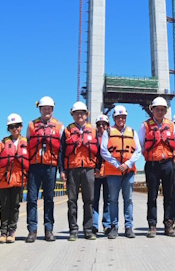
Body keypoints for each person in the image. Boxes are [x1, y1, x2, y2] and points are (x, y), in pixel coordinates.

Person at [59, 101, 101, 241]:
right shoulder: (67, 131)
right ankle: (73, 230)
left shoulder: (93, 130)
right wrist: (62, 170)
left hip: (89, 169)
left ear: (86, 115)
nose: (80, 116)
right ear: (73, 115)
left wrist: (98, 168)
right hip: (72, 169)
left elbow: (99, 151)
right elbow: (61, 152)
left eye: (82, 113)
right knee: (72, 201)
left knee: (89, 200)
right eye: (77, 114)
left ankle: (88, 229)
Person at [138, 96, 175, 238]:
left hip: (168, 163)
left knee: (169, 195)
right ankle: (152, 225)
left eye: (162, 110)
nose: (160, 112)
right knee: (152, 196)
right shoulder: (145, 126)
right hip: (152, 164)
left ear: (166, 111)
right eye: (157, 110)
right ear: (152, 110)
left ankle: (168, 224)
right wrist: (151, 157)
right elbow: (141, 145)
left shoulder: (171, 126)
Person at [100, 105, 142, 239]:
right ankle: (114, 227)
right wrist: (117, 165)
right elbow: (103, 151)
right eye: (118, 117)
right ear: (114, 118)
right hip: (113, 172)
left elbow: (138, 151)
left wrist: (127, 164)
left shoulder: (133, 132)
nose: (121, 120)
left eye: (123, 117)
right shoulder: (108, 132)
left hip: (128, 171)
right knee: (113, 200)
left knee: (128, 200)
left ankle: (129, 227)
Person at [26, 96, 63, 243]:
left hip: (50, 166)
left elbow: (62, 150)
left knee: (49, 199)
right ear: (40, 109)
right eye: (44, 108)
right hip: (34, 166)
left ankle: (49, 229)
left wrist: (61, 169)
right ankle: (32, 230)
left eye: (49, 108)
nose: (46, 111)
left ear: (52, 110)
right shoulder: (31, 125)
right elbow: (27, 144)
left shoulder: (59, 126)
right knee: (32, 199)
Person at [0, 113, 29, 243]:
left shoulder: (26, 142)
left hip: (18, 180)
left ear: (21, 127)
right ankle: (3, 232)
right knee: (4, 206)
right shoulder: (3, 143)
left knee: (15, 206)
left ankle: (11, 231)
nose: (15, 129)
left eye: (17, 126)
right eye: (11, 126)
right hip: (4, 180)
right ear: (8, 128)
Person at [93, 114, 111, 235]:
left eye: (104, 124)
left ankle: (107, 225)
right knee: (94, 200)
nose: (101, 127)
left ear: (108, 126)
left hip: (108, 172)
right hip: (95, 173)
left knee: (108, 199)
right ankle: (94, 225)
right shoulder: (92, 139)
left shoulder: (112, 138)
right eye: (99, 125)